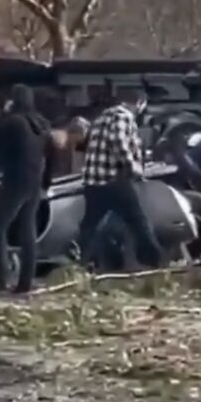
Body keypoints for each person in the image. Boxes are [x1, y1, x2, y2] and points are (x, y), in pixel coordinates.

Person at [0, 84, 56, 294]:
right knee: (27, 230)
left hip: (15, 179)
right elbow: (52, 156)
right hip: (36, 181)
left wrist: (4, 111)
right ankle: (25, 283)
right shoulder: (42, 124)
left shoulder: (13, 122)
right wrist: (46, 185)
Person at [78, 88, 164, 271]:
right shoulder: (123, 116)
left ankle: (81, 263)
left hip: (93, 181)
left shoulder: (101, 117)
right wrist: (134, 167)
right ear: (139, 103)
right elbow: (118, 141)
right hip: (114, 179)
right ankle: (157, 261)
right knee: (138, 222)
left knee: (90, 226)